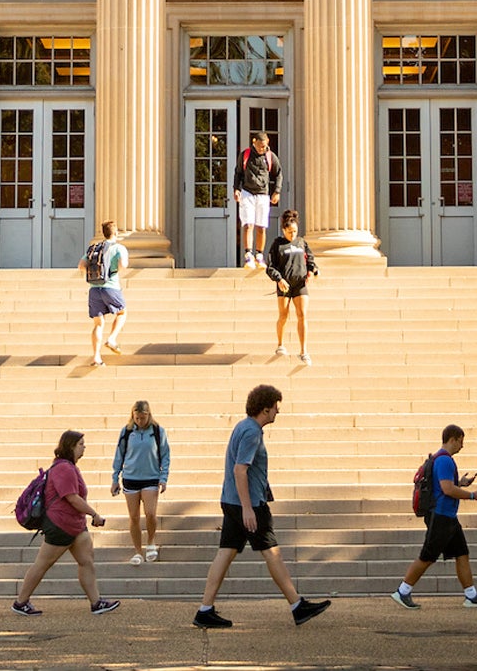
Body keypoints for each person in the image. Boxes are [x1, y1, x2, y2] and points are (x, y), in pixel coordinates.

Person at [194, 383, 332, 629]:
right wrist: (248, 508)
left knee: (225, 552)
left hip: (232, 500)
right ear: (265, 409)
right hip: (249, 503)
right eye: (275, 408)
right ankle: (297, 605)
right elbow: (240, 470)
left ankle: (205, 610)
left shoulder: (243, 426)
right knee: (272, 551)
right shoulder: (251, 432)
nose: (277, 412)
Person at [12, 430, 121, 617]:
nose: (84, 447)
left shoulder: (67, 467)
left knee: (86, 561)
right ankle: (21, 602)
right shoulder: (64, 469)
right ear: (70, 446)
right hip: (61, 525)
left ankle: (96, 602)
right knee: (43, 563)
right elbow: (72, 497)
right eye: (80, 444)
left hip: (75, 525)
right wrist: (94, 514)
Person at [392, 424, 477, 609]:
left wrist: (460, 483)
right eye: (461, 441)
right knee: (427, 556)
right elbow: (447, 489)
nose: (462, 446)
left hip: (446, 516)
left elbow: (444, 486)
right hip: (442, 516)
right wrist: (473, 495)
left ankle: (471, 595)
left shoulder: (438, 458)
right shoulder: (446, 460)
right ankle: (403, 591)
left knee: (462, 553)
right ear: (453, 439)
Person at [110, 400, 171, 565]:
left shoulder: (158, 431)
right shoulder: (127, 432)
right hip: (131, 478)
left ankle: (151, 542)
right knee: (134, 517)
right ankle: (138, 551)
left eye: (143, 418)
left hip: (151, 477)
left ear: (148, 415)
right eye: (137, 418)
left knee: (150, 513)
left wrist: (163, 477)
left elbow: (165, 455)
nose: (140, 421)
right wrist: (115, 478)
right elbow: (119, 455)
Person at [265, 210, 318, 363]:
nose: (292, 235)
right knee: (283, 315)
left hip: (299, 284)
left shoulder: (301, 242)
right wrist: (279, 279)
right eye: (289, 232)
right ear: (284, 230)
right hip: (284, 284)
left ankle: (303, 351)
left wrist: (312, 271)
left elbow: (310, 260)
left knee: (302, 315)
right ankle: (280, 344)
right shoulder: (278, 244)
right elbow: (270, 267)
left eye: (294, 231)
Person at [232, 131, 283, 270]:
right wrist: (236, 189)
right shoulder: (245, 155)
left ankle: (259, 255)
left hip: (263, 194)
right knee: (248, 224)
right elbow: (238, 173)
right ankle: (248, 254)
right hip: (248, 192)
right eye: (260, 146)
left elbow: (278, 174)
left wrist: (277, 191)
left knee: (261, 226)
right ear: (254, 142)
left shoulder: (270, 156)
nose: (262, 149)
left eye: (265, 146)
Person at [83, 221, 130, 367]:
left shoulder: (94, 248)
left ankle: (96, 358)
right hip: (111, 287)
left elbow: (81, 265)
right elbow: (123, 266)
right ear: (115, 233)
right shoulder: (119, 248)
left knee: (98, 323)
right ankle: (112, 339)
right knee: (122, 312)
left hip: (94, 289)